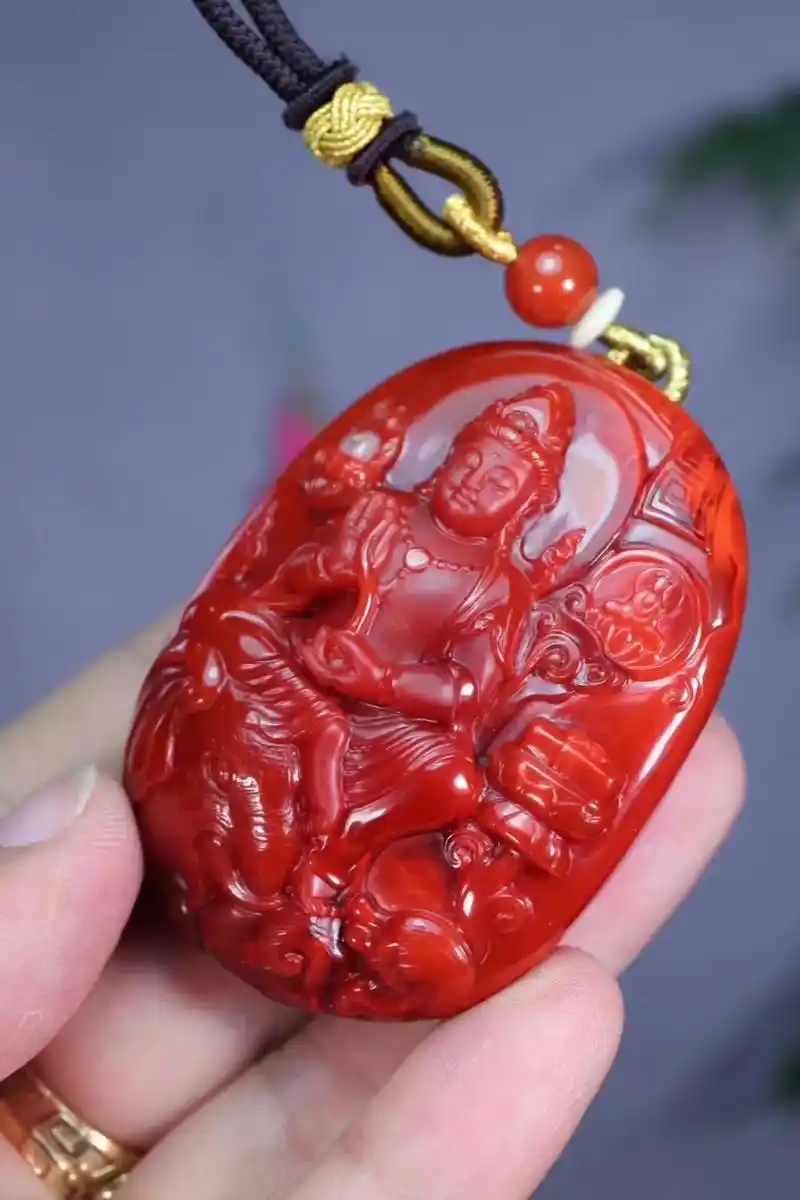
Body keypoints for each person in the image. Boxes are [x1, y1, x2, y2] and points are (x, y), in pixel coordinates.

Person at [0, 606, 745, 1198]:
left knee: (432, 776)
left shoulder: (508, 623)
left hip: (391, 743)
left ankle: (322, 841)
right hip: (310, 714)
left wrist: (380, 682)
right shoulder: (413, 543)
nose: (484, 484)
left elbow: (460, 697)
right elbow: (297, 613)